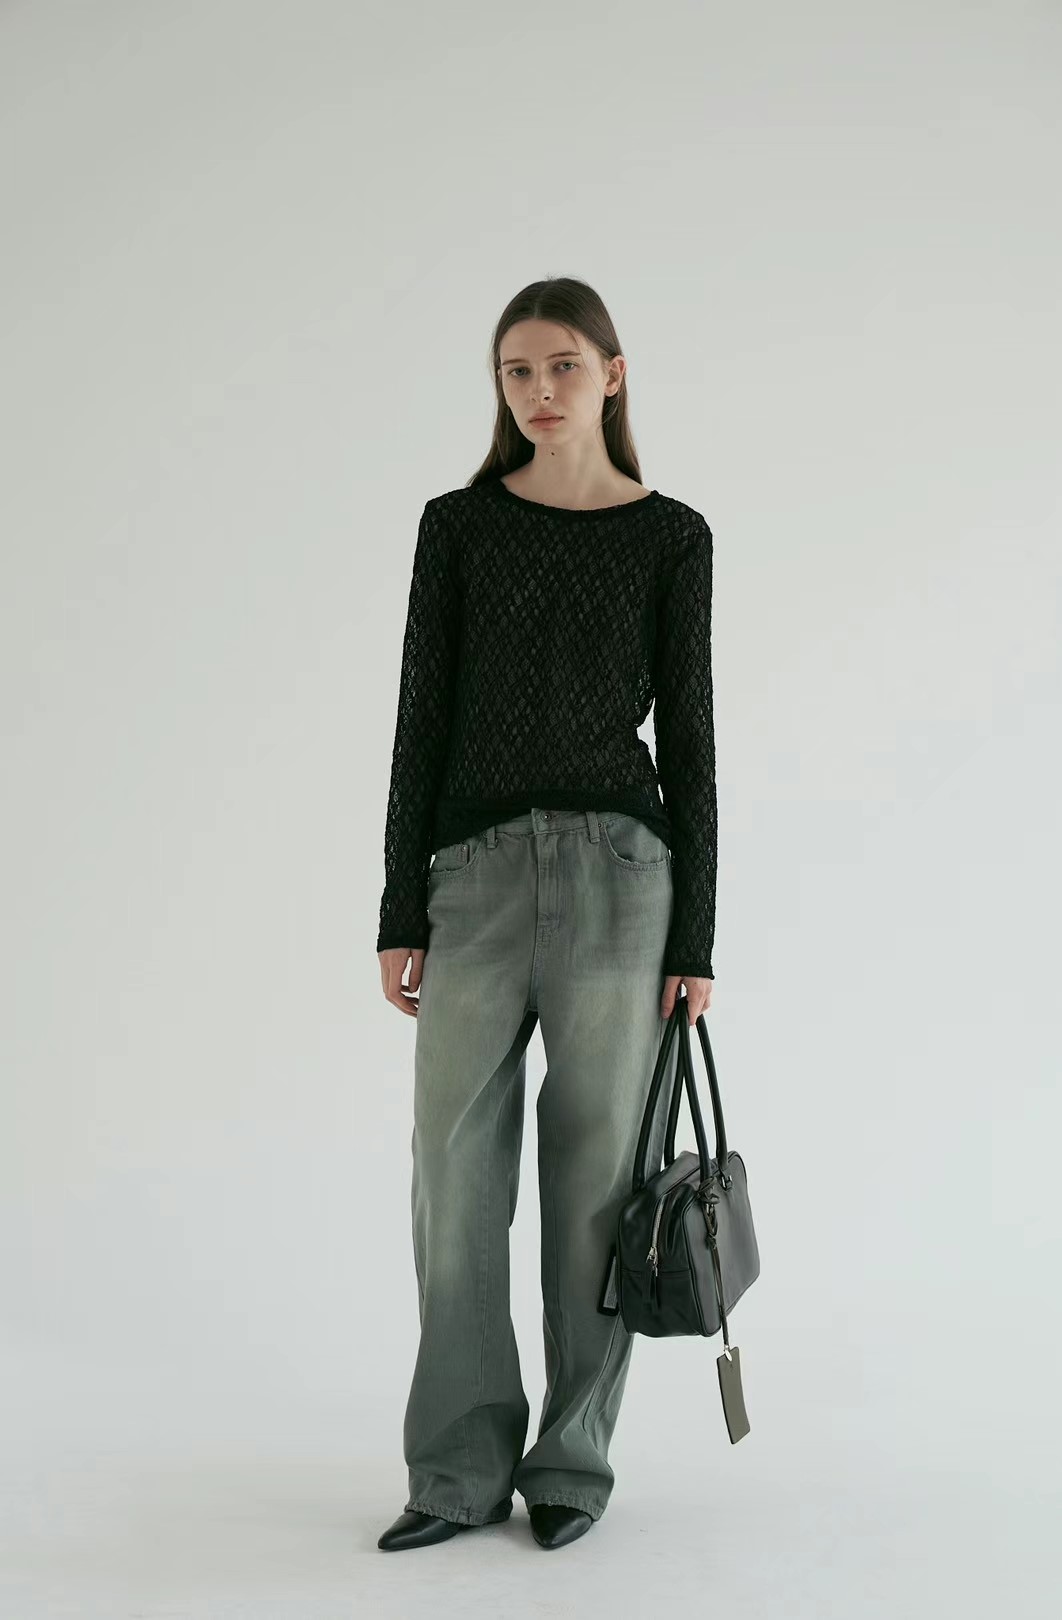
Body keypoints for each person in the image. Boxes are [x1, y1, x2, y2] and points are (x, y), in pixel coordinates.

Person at [375, 276, 717, 1553]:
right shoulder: (458, 527)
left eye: (563, 365)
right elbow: (421, 718)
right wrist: (399, 904)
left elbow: (691, 741)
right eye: (516, 371)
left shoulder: (671, 536)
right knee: (453, 1180)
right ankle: (457, 1469)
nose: (539, 391)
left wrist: (698, 939)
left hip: (625, 881)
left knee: (596, 1185)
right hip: (472, 877)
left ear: (612, 374)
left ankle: (572, 1462)